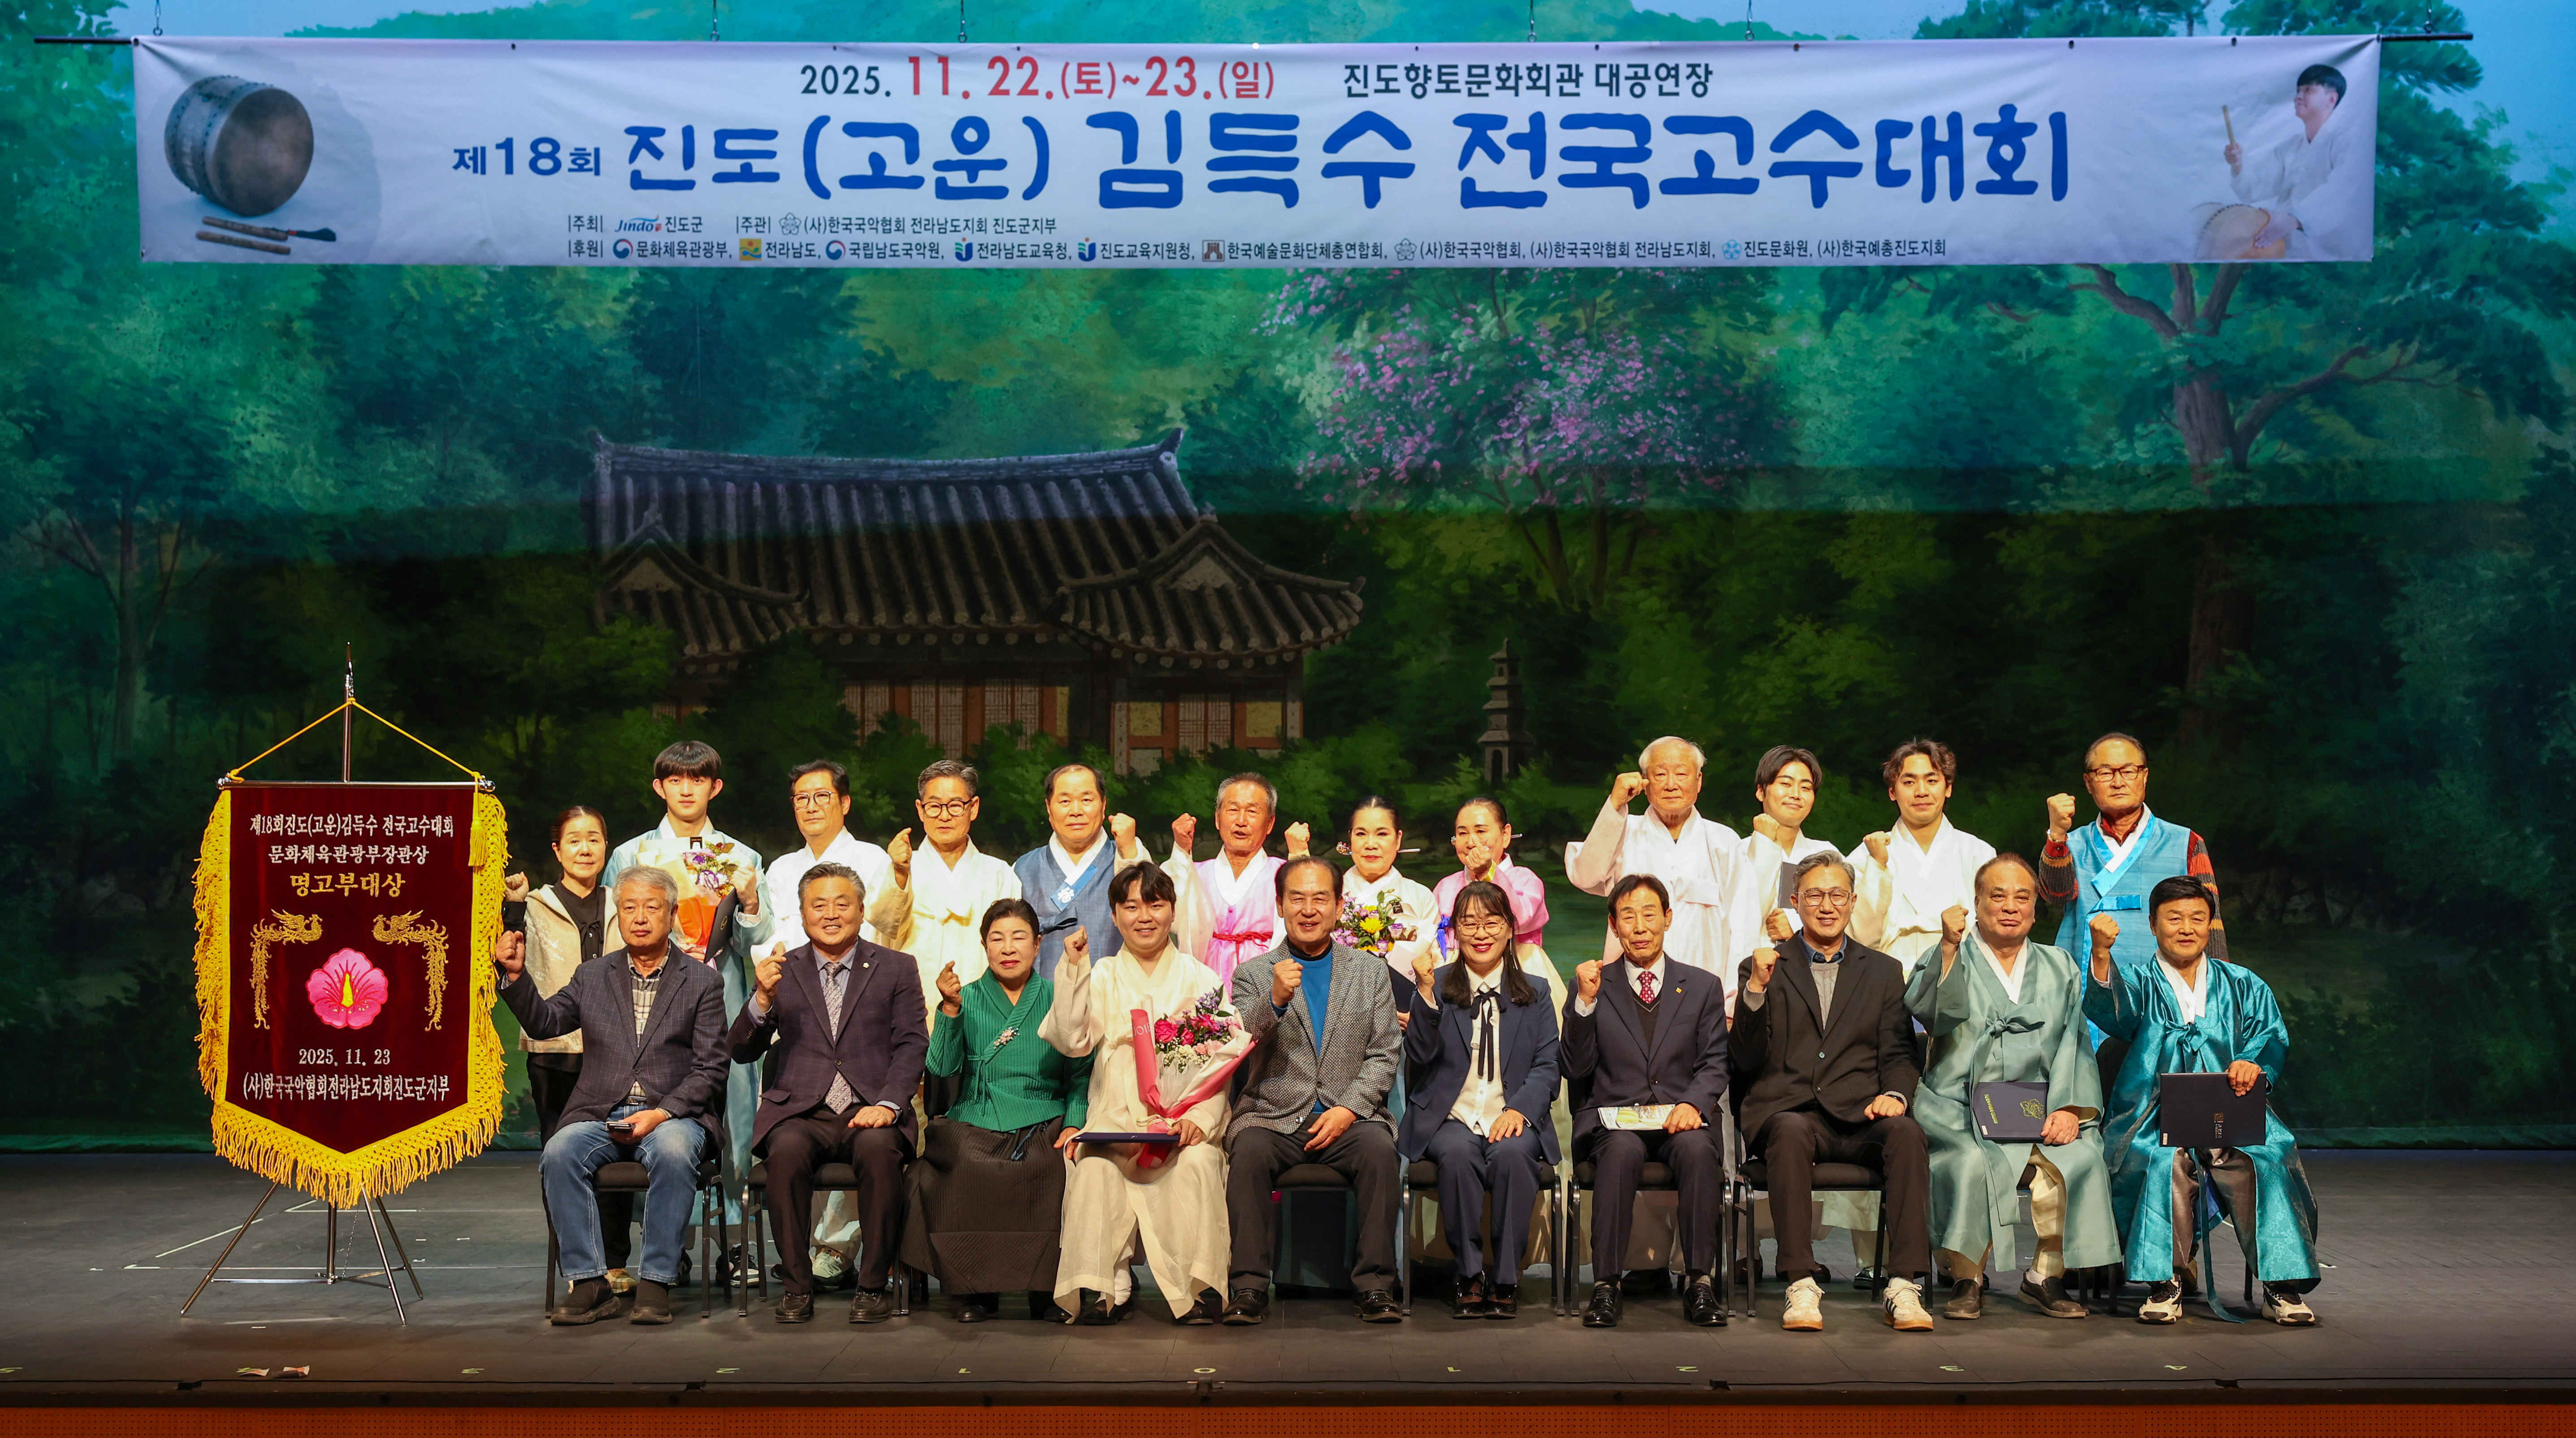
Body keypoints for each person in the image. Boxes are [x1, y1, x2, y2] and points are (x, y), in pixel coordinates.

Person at [494, 865, 727, 1327]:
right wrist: (517, 978)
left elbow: (711, 1069)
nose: (639, 917)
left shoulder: (702, 982)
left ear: (672, 913)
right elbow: (545, 1024)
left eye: (651, 907)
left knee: (677, 1149)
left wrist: (662, 1113)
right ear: (618, 915)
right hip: (602, 1112)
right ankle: (589, 1282)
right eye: (629, 908)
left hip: (671, 1115)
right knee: (560, 1150)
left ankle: (657, 1280)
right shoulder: (593, 975)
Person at [2085, 876, 2321, 1326]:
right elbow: (2111, 1012)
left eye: (2197, 917)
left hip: (2227, 1111)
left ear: (2211, 924)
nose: (2186, 928)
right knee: (2159, 1159)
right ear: (2154, 925)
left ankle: (2280, 1285)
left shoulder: (2242, 983)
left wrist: (2253, 1063)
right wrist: (2101, 955)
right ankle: (2165, 1281)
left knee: (2266, 1157)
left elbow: (2270, 1035)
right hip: (2153, 1113)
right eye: (2174, 918)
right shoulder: (2139, 981)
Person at [1906, 854, 2120, 1321]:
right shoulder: (1949, 952)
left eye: (2022, 897)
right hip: (1958, 1105)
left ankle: (2045, 1275)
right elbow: (1930, 1015)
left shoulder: (2060, 965)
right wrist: (1946, 945)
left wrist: (2066, 1108)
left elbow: (2073, 1041)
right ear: (1977, 904)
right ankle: (1968, 1277)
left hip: (2034, 1104)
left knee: (2081, 1156)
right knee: (1966, 1161)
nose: (2010, 906)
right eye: (1997, 896)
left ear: (2035, 908)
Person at [1734, 851, 1935, 1333]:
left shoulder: (1884, 971)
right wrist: (1756, 993)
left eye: (1838, 895)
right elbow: (1741, 1058)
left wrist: (1897, 1095)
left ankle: (1904, 1284)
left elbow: (1900, 1054)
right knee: (1789, 1130)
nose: (1827, 905)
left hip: (1860, 1111)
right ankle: (1800, 1282)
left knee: (1907, 1134)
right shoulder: (1764, 965)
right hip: (1792, 1112)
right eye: (1816, 895)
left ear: (1853, 902)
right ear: (1795, 901)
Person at [730, 862, 929, 1325]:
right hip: (802, 1111)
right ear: (802, 914)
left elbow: (912, 1043)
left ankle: (873, 1284)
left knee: (881, 1153)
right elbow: (740, 1049)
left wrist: (888, 1105)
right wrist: (761, 1000)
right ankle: (797, 1287)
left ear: (861, 910)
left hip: (871, 1108)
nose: (831, 913)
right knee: (785, 1152)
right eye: (819, 905)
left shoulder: (896, 967)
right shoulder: (784, 970)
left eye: (843, 903)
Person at [1040, 862, 1237, 1325]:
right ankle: (1107, 1283)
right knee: (1093, 1168)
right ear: (1114, 915)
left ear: (1172, 911)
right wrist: (1073, 969)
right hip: (1115, 1113)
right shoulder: (1104, 974)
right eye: (1130, 906)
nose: (1143, 916)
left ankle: (1196, 1286)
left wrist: (1201, 1120)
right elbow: (1072, 1040)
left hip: (1179, 1119)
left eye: (1155, 903)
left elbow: (1222, 1059)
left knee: (1197, 1164)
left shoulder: (1201, 978)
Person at [1222, 855, 1405, 1325]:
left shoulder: (1369, 972)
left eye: (1320, 898)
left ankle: (1376, 1285)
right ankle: (1247, 1286)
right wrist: (1275, 1001)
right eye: (1297, 898)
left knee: (1381, 1151)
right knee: (1248, 1152)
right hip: (1274, 1115)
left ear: (1339, 905)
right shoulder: (1255, 972)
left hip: (1348, 1117)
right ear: (1280, 905)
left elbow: (1385, 1053)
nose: (1308, 909)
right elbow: (1238, 1041)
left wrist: (1350, 1109)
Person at [900, 898, 1092, 1323]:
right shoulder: (964, 997)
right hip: (976, 1113)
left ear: (1038, 944)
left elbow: (1080, 1073)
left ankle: (1045, 1289)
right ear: (984, 946)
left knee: (1050, 1166)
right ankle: (977, 1290)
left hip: (1044, 1114)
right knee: (967, 1166)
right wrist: (948, 1010)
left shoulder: (1060, 997)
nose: (1008, 948)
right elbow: (942, 1070)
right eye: (997, 939)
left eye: (1019, 937)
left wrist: (1076, 1120)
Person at [1562, 875, 1730, 1330]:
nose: (1640, 926)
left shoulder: (1701, 986)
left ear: (1668, 919)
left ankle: (1700, 1281)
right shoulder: (1594, 984)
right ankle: (1606, 1285)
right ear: (1614, 925)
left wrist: (1694, 1103)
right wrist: (1584, 1003)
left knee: (1698, 1150)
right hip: (1616, 1122)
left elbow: (1715, 1062)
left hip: (1681, 1116)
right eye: (1628, 916)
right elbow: (1575, 1069)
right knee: (1620, 1151)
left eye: (1649, 914)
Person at [603, 740, 770, 1187]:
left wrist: (750, 899)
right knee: (653, 1106)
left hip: (724, 992)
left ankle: (734, 1226)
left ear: (715, 787)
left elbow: (755, 939)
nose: (686, 790)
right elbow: (611, 936)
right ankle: (670, 1240)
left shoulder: (742, 857)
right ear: (660, 787)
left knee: (735, 1101)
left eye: (697, 780)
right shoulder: (630, 855)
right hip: (648, 998)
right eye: (675, 780)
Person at [1400, 880, 1561, 1319]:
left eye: (1491, 921)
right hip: (1451, 1116)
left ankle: (1507, 1276)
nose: (1480, 931)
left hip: (1514, 1115)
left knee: (1512, 1156)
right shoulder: (1439, 987)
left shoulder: (1536, 991)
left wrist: (1519, 1111)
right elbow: (1418, 1055)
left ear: (1510, 928)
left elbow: (1548, 1066)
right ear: (1455, 932)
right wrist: (1426, 993)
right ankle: (1469, 1273)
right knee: (1457, 1155)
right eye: (1468, 922)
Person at [501, 806, 638, 1286]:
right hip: (556, 1052)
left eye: (595, 839)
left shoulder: (625, 903)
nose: (585, 848)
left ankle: (617, 1261)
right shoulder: (533, 904)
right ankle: (580, 1269)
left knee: (618, 1156)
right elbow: (505, 955)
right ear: (557, 850)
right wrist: (513, 906)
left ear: (606, 846)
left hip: (619, 1054)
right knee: (562, 1163)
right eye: (575, 840)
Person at [2040, 732, 2230, 975]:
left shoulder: (2185, 842)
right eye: (2105, 773)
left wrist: (2220, 988)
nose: (2118, 782)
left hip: (2165, 988)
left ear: (2145, 776)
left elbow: (2210, 923)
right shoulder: (2072, 843)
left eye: (2129, 771)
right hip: (2085, 982)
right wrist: (2056, 833)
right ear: (2089, 783)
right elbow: (2055, 895)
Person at [1565, 737, 1741, 991]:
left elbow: (1741, 923)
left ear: (1699, 781)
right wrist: (1615, 805)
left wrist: (1731, 1002)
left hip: (1706, 990)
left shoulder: (1724, 843)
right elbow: (1586, 877)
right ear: (1645, 782)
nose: (1671, 785)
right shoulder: (1622, 830)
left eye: (1681, 774)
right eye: (1660, 774)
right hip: (1630, 987)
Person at [879, 758, 1022, 1023]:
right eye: (934, 806)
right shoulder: (900, 868)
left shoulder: (1000, 874)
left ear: (974, 807)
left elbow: (1014, 953)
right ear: (920, 811)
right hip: (912, 1016)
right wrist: (899, 873)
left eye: (955, 805)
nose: (944, 816)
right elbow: (885, 933)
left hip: (986, 1017)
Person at [1850, 739, 1998, 971]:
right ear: (1892, 791)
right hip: (1885, 984)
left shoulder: (1978, 854)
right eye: (1909, 782)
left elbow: (1994, 933)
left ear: (1948, 788)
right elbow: (1860, 936)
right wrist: (1877, 867)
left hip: (1963, 980)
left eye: (1932, 781)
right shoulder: (1866, 856)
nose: (1921, 792)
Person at [1167, 771, 1310, 984]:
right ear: (1217, 819)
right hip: (1206, 990)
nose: (1241, 821)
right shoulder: (1196, 874)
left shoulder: (1283, 874)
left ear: (1270, 824)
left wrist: (1300, 856)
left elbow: (1307, 918)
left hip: (1265, 990)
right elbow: (1171, 919)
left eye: (1252, 811)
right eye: (1233, 810)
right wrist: (1181, 851)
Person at [1013, 762, 1147, 979]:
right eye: (1065, 801)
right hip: (1042, 1002)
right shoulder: (1023, 869)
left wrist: (1130, 852)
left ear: (1104, 805)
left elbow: (1151, 915)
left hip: (1116, 995)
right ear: (1049, 807)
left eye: (1086, 800)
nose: (1076, 811)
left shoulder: (1129, 856)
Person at [2224, 63, 2366, 260]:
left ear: (2332, 99)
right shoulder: (2292, 147)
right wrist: (2237, 165)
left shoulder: (2347, 141)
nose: (2299, 96)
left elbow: (2342, 189)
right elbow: (2257, 187)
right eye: (2298, 90)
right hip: (2289, 249)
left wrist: (2295, 220)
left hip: (2332, 252)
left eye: (2308, 90)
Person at [764, 760, 906, 953]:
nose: (811, 807)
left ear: (845, 803)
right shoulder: (781, 869)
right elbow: (770, 935)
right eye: (802, 799)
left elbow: (891, 930)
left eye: (822, 796)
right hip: (794, 977)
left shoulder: (874, 860)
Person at [1730, 745, 1844, 970]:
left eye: (1805, 787)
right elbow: (1739, 918)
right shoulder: (1735, 851)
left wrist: (1796, 929)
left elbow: (1847, 921)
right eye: (1785, 784)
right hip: (1749, 971)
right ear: (1761, 791)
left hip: (1814, 972)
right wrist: (1763, 844)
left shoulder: (1826, 856)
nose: (1795, 795)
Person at [1430, 797, 1556, 989]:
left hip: (1520, 976)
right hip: (1456, 981)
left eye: (1481, 831)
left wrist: (1488, 872)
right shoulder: (1445, 886)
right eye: (1462, 833)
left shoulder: (1526, 879)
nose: (1471, 842)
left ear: (1506, 835)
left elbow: (1519, 919)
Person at [1335, 795, 1439, 996]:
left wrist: (1415, 1008)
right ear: (1350, 838)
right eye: (1361, 834)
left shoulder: (1420, 896)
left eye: (1382, 834)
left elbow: (1434, 964)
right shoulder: (1331, 892)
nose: (1371, 844)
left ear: (1398, 839)